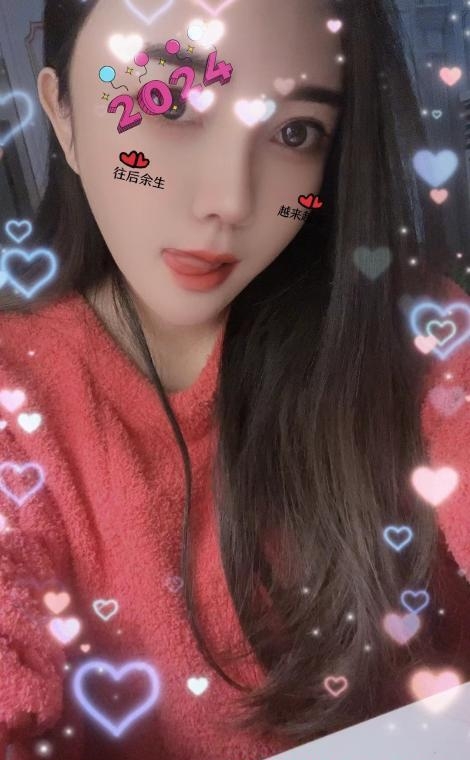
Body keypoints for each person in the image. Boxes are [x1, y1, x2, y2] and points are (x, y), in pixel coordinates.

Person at [1, 0, 470, 758]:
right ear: (64, 116)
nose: (231, 201)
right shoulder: (15, 401)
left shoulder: (421, 332)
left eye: (296, 132)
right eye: (166, 102)